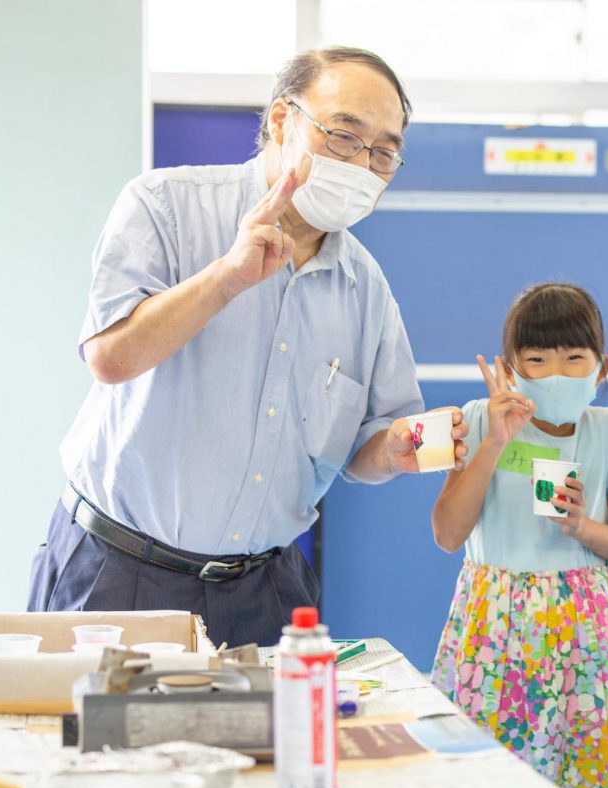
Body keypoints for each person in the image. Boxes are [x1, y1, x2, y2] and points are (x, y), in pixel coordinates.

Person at [29, 47, 467, 647]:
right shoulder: (165, 207)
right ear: (283, 121)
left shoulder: (364, 287)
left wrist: (396, 448)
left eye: (384, 152)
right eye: (344, 136)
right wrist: (227, 277)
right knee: (93, 742)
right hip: (119, 572)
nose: (363, 164)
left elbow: (370, 443)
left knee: (272, 743)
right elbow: (111, 356)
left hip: (266, 589)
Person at [430, 283, 608, 788]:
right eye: (537, 359)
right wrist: (497, 440)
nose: (556, 373)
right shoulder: (477, 420)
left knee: (596, 775)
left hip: (591, 638)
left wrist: (582, 528)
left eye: (574, 358)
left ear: (601, 367)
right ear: (510, 368)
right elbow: (447, 534)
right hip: (494, 631)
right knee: (494, 778)